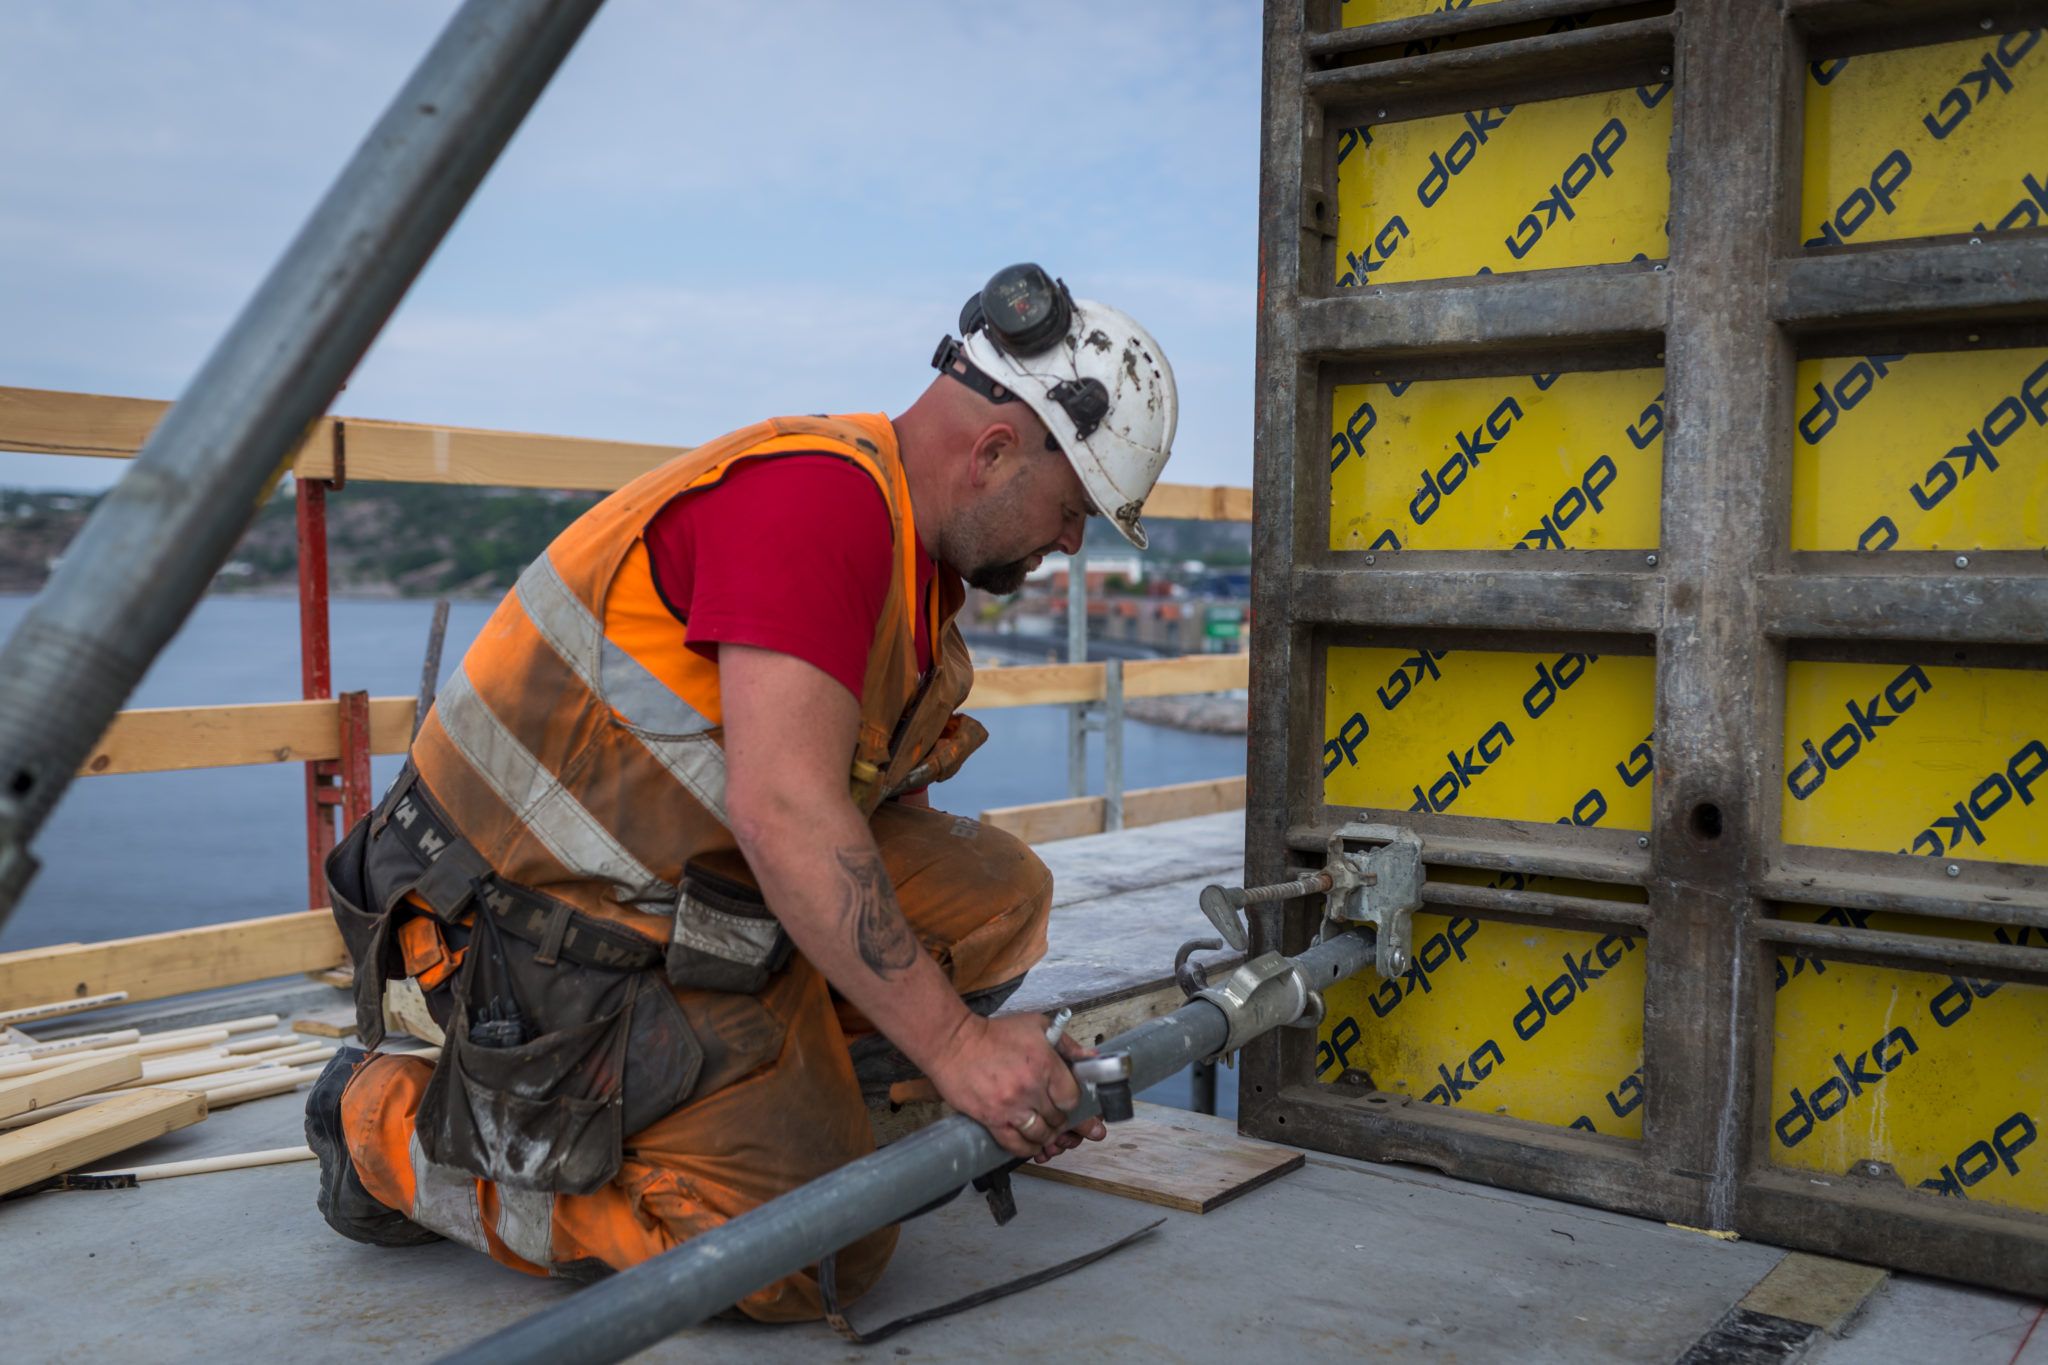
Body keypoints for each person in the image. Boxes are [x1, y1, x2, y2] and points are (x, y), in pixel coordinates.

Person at [304, 263, 1179, 1318]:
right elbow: (786, 813)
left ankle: (770, 1087)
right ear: (994, 453)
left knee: (997, 895)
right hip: (520, 927)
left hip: (669, 886)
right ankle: (380, 1124)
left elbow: (846, 807)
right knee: (812, 1255)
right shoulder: (819, 504)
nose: (1072, 542)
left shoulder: (912, 561)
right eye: (1075, 507)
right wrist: (956, 1048)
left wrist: (956, 1039)